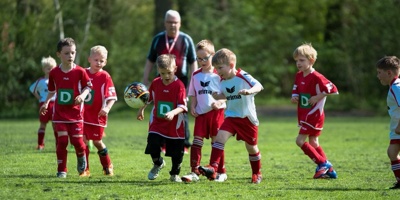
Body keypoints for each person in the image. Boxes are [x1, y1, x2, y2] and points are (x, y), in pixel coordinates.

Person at [198, 48, 264, 184]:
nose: (218, 71)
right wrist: (217, 96)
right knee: (219, 138)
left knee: (251, 147)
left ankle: (257, 173)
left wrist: (249, 91)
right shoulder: (222, 81)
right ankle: (213, 167)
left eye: (220, 67)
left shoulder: (242, 76)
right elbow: (226, 95)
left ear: (231, 65)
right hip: (231, 117)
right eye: (216, 68)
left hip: (247, 118)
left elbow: (259, 86)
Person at [142, 10, 197, 151]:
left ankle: (183, 144)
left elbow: (193, 61)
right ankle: (161, 142)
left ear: (180, 23)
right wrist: (145, 79)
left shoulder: (186, 39)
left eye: (175, 22)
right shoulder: (158, 39)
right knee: (159, 110)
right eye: (170, 22)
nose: (173, 25)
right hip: (160, 80)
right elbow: (150, 60)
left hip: (181, 81)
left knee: (180, 110)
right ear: (165, 23)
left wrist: (194, 81)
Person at [39, 37, 92, 178]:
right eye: (67, 53)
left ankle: (82, 157)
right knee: (62, 141)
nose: (71, 56)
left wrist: (82, 95)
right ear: (59, 54)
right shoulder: (54, 73)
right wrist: (46, 102)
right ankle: (62, 169)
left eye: (73, 53)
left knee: (77, 142)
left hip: (76, 114)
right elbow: (51, 90)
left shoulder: (80, 71)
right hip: (60, 114)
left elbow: (88, 87)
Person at [181, 40, 227, 183]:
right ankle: (194, 171)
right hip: (201, 114)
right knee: (196, 141)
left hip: (216, 113)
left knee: (216, 142)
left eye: (205, 58)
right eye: (199, 58)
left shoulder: (219, 74)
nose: (202, 61)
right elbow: (193, 94)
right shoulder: (195, 75)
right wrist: (193, 106)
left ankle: (220, 171)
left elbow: (227, 94)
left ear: (213, 56)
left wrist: (220, 102)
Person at [290, 43, 338, 179]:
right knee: (314, 142)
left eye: (301, 60)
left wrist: (319, 96)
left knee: (299, 141)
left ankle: (323, 163)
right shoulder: (299, 75)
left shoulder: (317, 76)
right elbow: (296, 88)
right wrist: (294, 96)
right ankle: (329, 170)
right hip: (304, 113)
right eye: (296, 61)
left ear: (311, 60)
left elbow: (333, 89)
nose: (298, 63)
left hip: (313, 114)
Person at [137, 54, 188, 183]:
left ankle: (174, 174)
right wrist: (141, 109)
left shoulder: (179, 86)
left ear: (175, 69)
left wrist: (173, 113)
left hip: (174, 125)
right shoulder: (155, 83)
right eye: (162, 73)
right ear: (158, 71)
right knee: (152, 145)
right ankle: (158, 163)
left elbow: (183, 106)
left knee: (177, 153)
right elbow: (148, 98)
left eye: (169, 73)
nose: (166, 76)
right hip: (157, 123)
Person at [80, 45, 117, 177]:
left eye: (102, 61)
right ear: (89, 59)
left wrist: (106, 108)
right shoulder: (82, 73)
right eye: (96, 60)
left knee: (97, 142)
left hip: (97, 116)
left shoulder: (105, 76)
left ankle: (107, 165)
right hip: (82, 115)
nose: (99, 63)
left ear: (105, 62)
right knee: (82, 141)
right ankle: (85, 169)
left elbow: (112, 97)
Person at [376, 56, 400, 189]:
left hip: (398, 128)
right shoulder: (395, 86)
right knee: (392, 152)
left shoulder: (396, 87)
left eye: (380, 72)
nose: (378, 76)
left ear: (389, 73)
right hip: (396, 129)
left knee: (392, 152)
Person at [29, 56, 57, 151]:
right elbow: (32, 89)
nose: (50, 70)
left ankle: (58, 145)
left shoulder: (57, 80)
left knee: (56, 125)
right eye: (48, 68)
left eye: (52, 68)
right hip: (44, 105)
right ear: (43, 69)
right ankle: (40, 144)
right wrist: (39, 98)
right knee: (42, 124)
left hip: (55, 105)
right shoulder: (41, 81)